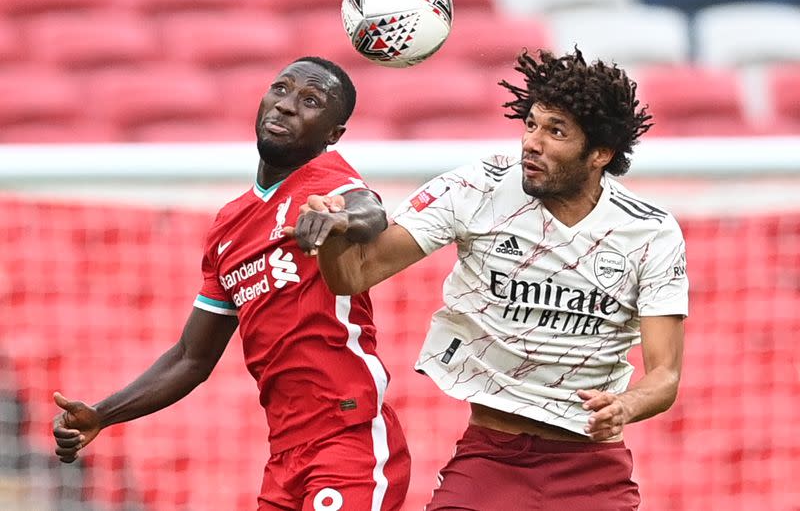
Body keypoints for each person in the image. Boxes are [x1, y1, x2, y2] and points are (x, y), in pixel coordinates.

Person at [291, 48, 688, 511]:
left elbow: (664, 375)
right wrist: (335, 232)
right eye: (531, 125)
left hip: (592, 468)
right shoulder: (478, 188)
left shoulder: (650, 232)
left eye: (555, 131)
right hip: (491, 457)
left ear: (600, 153)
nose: (531, 143)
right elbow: (356, 274)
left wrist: (625, 406)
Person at [51, 57, 411, 511]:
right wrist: (104, 414)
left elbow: (371, 213)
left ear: (333, 135)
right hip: (285, 455)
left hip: (348, 440)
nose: (285, 106)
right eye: (280, 90)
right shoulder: (229, 226)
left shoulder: (328, 182)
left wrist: (338, 217)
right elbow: (190, 358)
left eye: (310, 101)